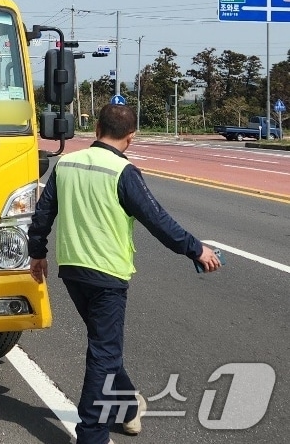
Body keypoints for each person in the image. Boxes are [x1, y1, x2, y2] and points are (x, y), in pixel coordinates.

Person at [27, 103, 221, 444]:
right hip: (107, 274)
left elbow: (43, 213)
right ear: (130, 138)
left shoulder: (67, 163)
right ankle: (92, 434)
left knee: (105, 348)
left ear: (98, 128)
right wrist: (196, 249)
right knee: (104, 354)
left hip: (72, 271)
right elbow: (157, 220)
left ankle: (129, 408)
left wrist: (37, 253)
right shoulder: (123, 171)